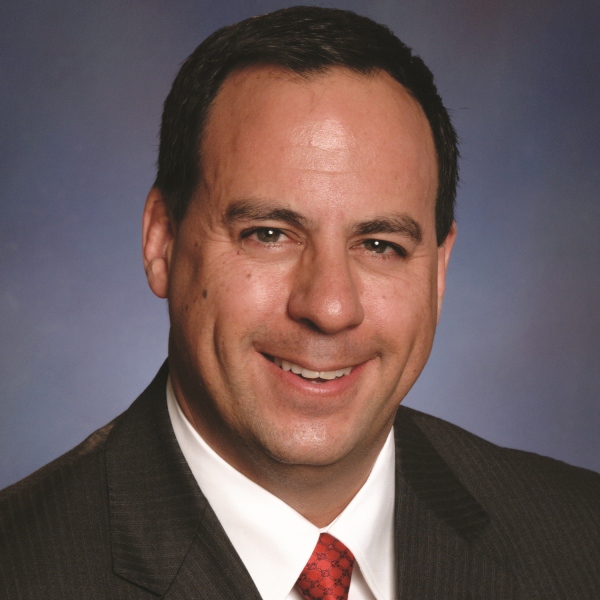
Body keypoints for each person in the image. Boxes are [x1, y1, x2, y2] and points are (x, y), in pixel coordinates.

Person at [1, 6, 598, 599]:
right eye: (269, 234)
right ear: (162, 240)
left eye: (380, 245)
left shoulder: (580, 541)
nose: (330, 307)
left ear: (438, 271)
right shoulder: (24, 570)